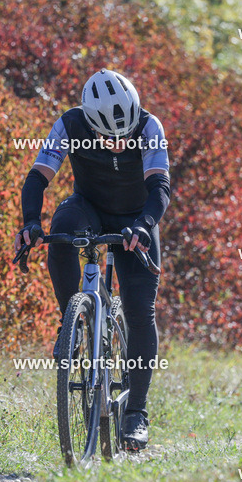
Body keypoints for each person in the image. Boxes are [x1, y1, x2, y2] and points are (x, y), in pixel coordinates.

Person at [15, 69, 172, 451]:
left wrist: (144, 226)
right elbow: (38, 177)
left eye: (124, 135)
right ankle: (71, 321)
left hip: (137, 218)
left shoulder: (150, 127)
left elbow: (160, 186)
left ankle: (135, 412)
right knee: (61, 232)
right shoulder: (70, 124)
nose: (117, 144)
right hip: (89, 207)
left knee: (140, 312)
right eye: (106, 137)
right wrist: (31, 222)